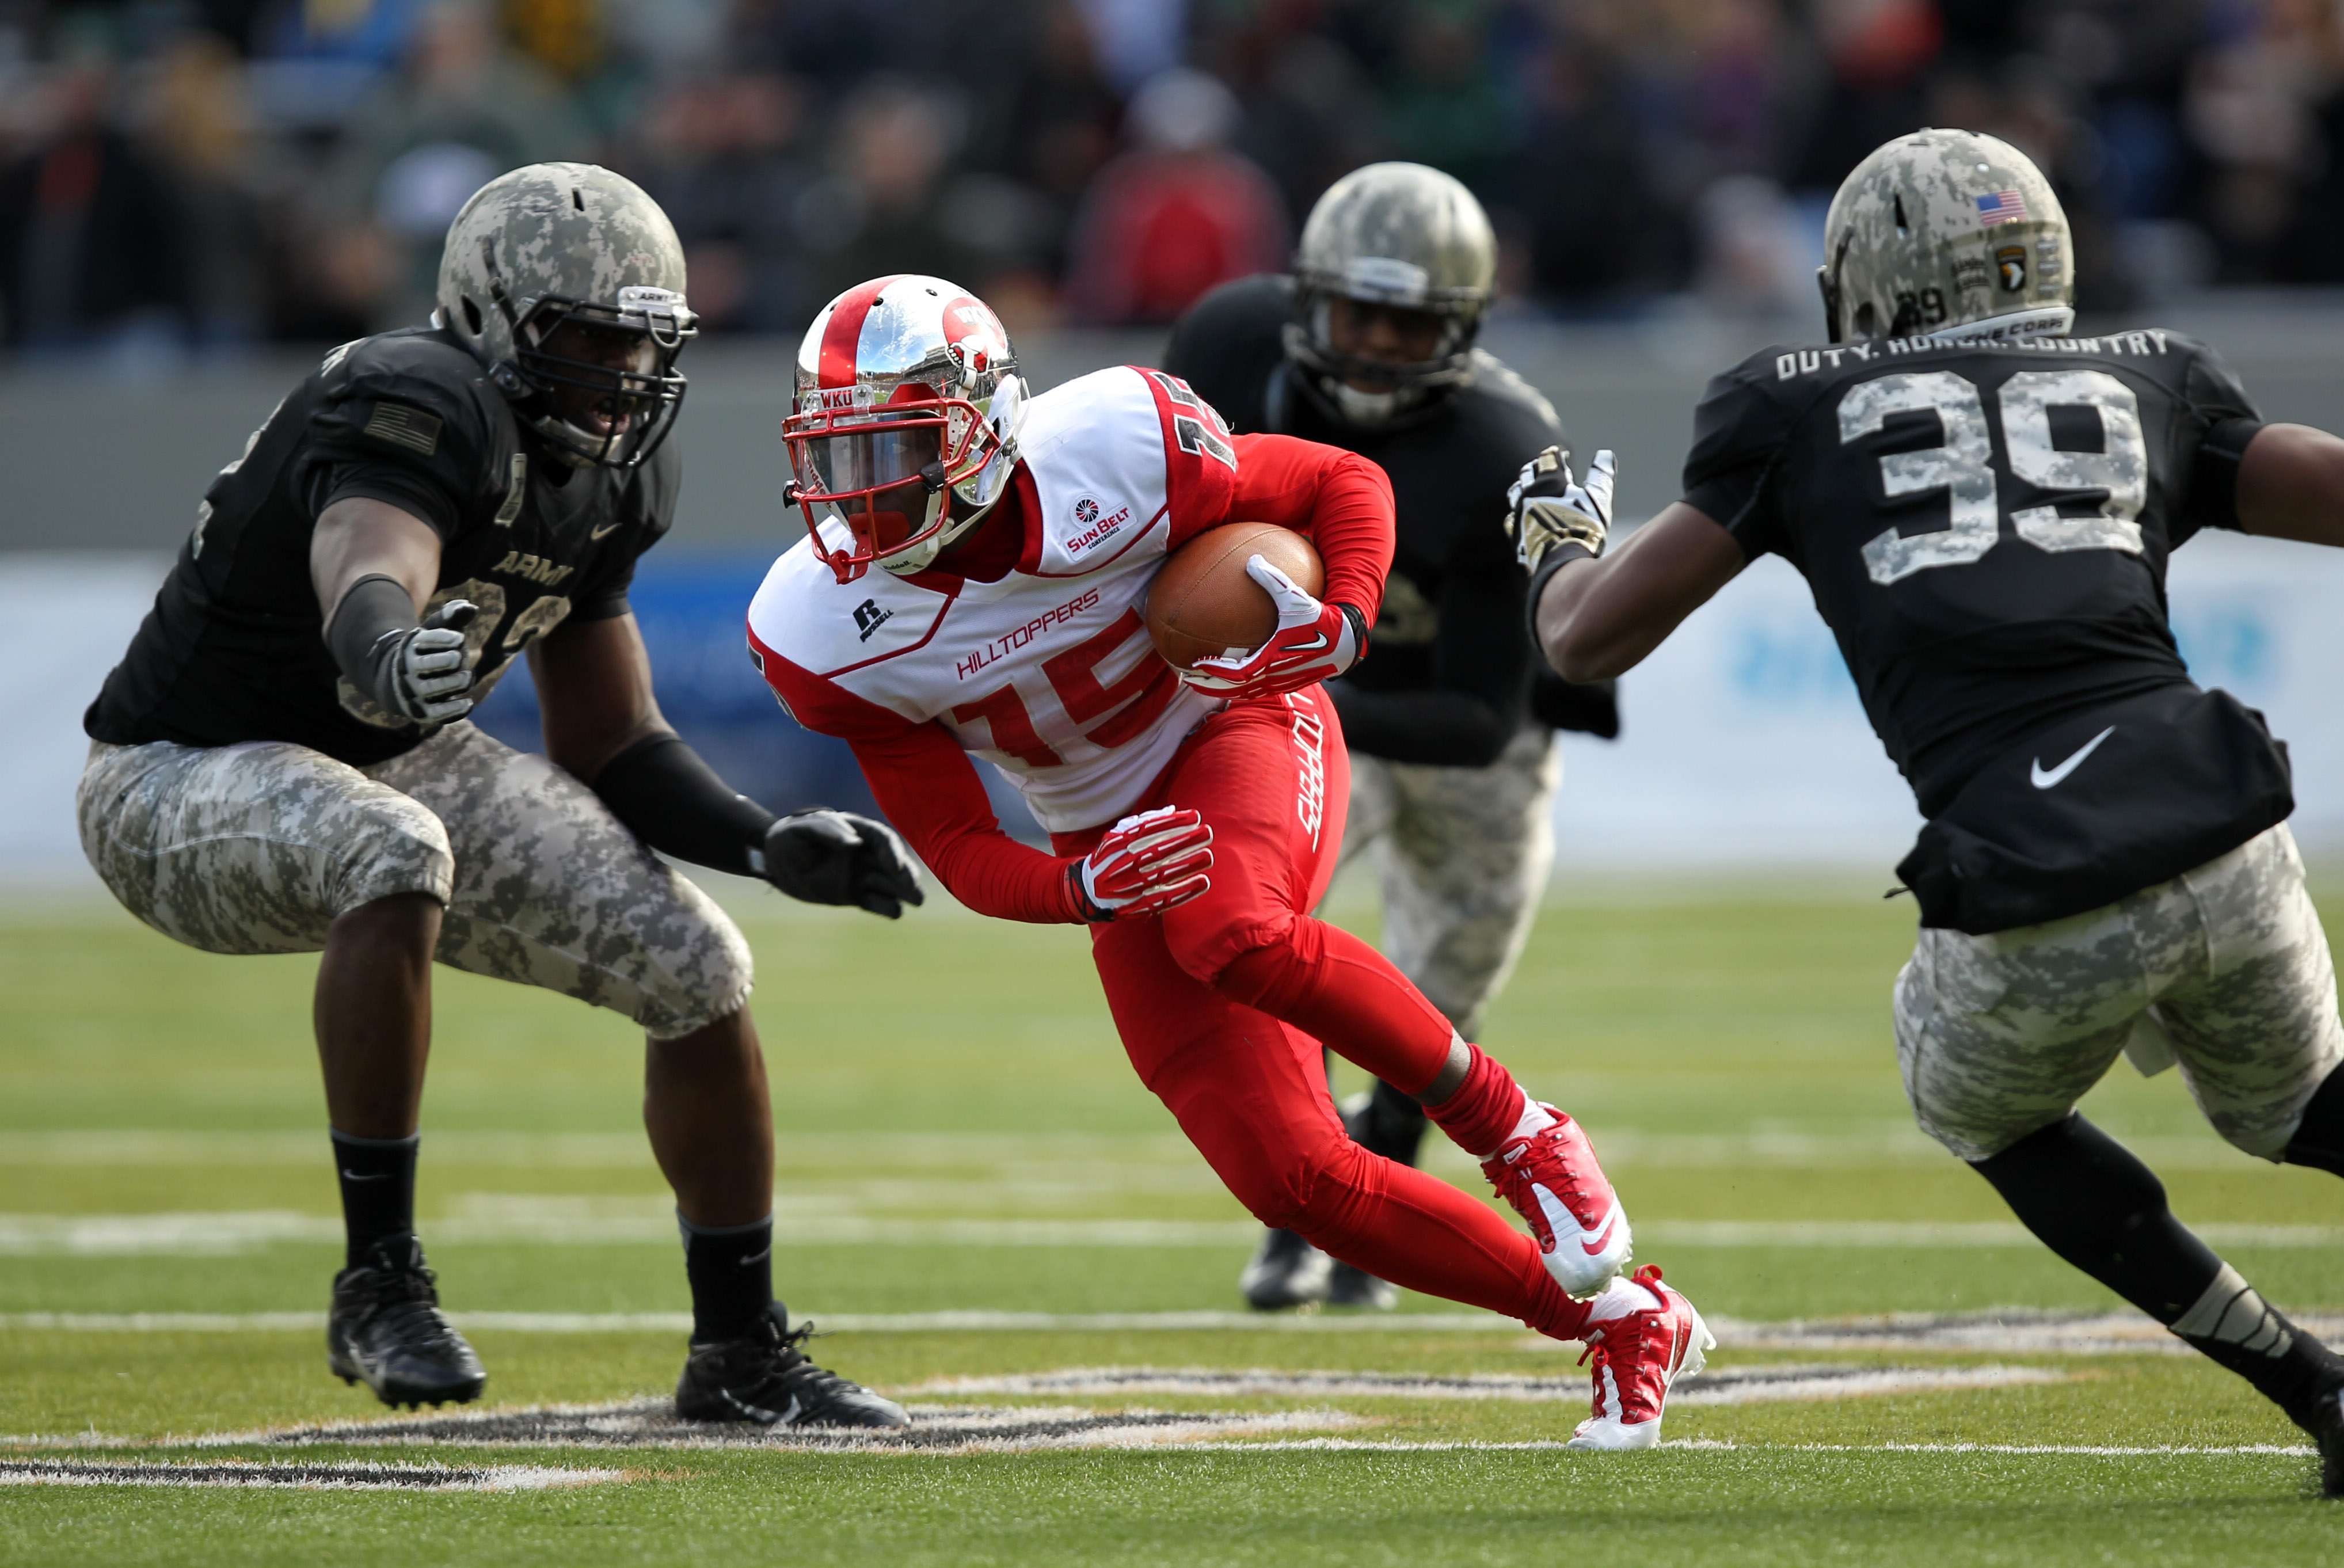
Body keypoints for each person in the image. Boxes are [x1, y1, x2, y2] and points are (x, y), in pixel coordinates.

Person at [746, 272, 1710, 1451]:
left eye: (895, 446)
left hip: (1239, 721)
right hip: (1104, 838)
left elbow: (1339, 480)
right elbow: (954, 842)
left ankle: (1517, 1133)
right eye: (841, 458)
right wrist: (1083, 887)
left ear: (984, 421)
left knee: (1230, 929)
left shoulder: (1113, 439)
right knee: (1291, 1178)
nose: (864, 492)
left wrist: (1342, 618)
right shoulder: (815, 631)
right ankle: (1617, 1320)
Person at [1519, 127, 2344, 1491]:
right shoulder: (2151, 376)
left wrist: (1553, 551)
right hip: (2218, 815)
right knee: (2297, 1110)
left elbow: (1585, 643)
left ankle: (2309, 1383)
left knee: (1973, 1105)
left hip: (2030, 866)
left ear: (1869, 276)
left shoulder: (1785, 404)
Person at [77, 163, 920, 1429]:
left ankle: (738, 1352)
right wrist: (381, 644)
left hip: (393, 762)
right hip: (175, 774)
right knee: (392, 845)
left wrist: (764, 840)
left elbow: (616, 740)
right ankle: (380, 1283)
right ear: (489, 314)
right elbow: (367, 560)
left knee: (697, 963)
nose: (622, 374)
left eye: (643, 345)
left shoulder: (622, 475)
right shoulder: (418, 392)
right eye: (589, 336)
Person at [1163, 162, 1615, 1311]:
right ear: (1302, 297)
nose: (1370, 344)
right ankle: (1302, 1213)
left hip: (1459, 728)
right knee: (1263, 934)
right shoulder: (1225, 351)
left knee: (1441, 992)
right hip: (1301, 707)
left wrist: (1296, 672)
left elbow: (1474, 723)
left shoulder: (1501, 446)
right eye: (1353, 312)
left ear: (1459, 328)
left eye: (1406, 321)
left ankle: (1383, 1168)